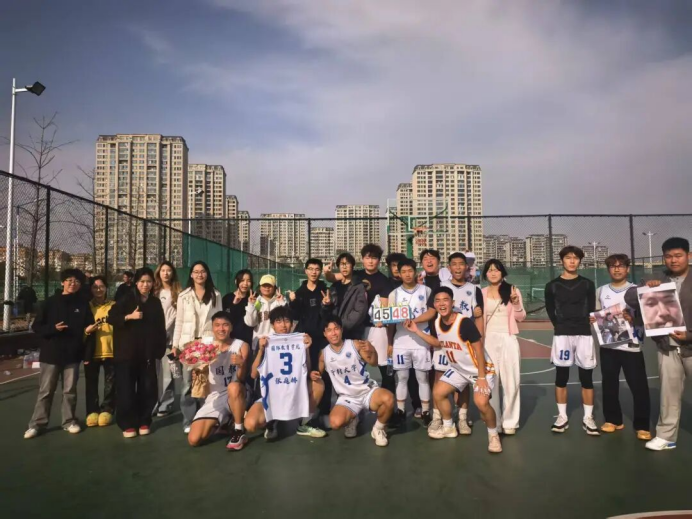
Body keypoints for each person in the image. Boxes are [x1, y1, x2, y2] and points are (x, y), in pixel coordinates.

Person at [408, 286, 502, 453]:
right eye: (438, 301)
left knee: (481, 403)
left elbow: (479, 350)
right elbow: (438, 343)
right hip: (458, 369)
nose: (441, 304)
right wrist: (416, 331)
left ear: (453, 303)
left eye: (445, 300)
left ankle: (493, 435)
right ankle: (449, 427)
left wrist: (481, 377)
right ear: (434, 305)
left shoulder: (464, 323)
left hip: (480, 370)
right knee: (438, 393)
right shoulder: (437, 322)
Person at [625, 237, 692, 451]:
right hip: (667, 347)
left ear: (689, 256)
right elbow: (630, 297)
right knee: (668, 394)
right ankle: (666, 436)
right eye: (668, 256)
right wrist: (645, 287)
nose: (673, 260)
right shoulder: (656, 278)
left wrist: (689, 335)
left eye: (678, 255)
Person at [24, 269, 93, 439]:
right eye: (69, 280)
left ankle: (69, 421)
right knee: (46, 391)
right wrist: (53, 329)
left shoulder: (83, 304)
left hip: (72, 355)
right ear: (62, 282)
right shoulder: (49, 303)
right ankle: (37, 424)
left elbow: (88, 325)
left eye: (77, 281)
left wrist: (89, 330)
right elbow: (37, 327)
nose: (72, 283)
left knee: (70, 391)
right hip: (51, 354)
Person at [244, 306, 326, 441]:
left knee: (318, 384)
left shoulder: (300, 340)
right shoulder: (265, 341)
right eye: (278, 321)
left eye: (287, 321)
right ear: (272, 325)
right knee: (250, 424)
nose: (283, 325)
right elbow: (253, 374)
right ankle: (272, 421)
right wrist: (260, 350)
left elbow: (306, 369)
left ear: (292, 324)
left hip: (293, 391)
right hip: (271, 395)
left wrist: (306, 349)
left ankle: (304, 423)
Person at [591, 254, 650, 439]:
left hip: (631, 345)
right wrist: (594, 318)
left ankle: (642, 426)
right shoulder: (601, 291)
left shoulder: (637, 290)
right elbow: (597, 313)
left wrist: (634, 318)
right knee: (609, 384)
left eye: (621, 266)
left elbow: (648, 316)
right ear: (608, 269)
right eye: (613, 266)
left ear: (627, 269)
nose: (617, 269)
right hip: (609, 345)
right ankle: (613, 420)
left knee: (638, 386)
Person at [327, 245, 394, 403]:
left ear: (379, 260)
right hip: (356, 328)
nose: (370, 261)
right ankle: (354, 402)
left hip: (374, 328)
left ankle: (388, 403)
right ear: (362, 259)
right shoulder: (355, 274)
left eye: (374, 258)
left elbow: (385, 306)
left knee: (383, 366)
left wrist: (382, 322)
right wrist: (327, 272)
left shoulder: (384, 281)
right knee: (354, 366)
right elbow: (333, 277)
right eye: (367, 258)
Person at [316, 316, 394, 447]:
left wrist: (372, 350)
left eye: (336, 329)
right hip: (347, 397)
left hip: (366, 391)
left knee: (389, 399)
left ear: (341, 330)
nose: (333, 333)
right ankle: (354, 417)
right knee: (335, 423)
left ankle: (378, 429)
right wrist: (313, 373)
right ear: (324, 333)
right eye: (329, 330)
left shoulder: (355, 345)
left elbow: (374, 363)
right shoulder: (323, 354)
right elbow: (317, 374)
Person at [545, 246, 598, 435]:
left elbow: (591, 308)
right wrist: (560, 325)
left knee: (586, 378)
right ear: (562, 260)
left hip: (584, 334)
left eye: (576, 258)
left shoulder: (587, 284)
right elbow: (550, 309)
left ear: (580, 261)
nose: (572, 261)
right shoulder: (552, 285)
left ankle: (588, 418)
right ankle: (562, 417)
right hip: (562, 335)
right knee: (561, 376)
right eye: (568, 257)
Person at [109, 267, 167, 438]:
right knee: (126, 390)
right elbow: (112, 317)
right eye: (142, 281)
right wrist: (129, 317)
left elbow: (160, 328)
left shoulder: (155, 303)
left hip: (147, 354)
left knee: (147, 388)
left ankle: (144, 420)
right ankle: (127, 423)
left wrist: (159, 350)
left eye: (149, 281)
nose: (145, 285)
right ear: (136, 282)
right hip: (126, 354)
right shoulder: (126, 299)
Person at [171, 261, 223, 434]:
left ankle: (206, 417)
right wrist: (175, 345)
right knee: (187, 384)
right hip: (188, 345)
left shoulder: (216, 294)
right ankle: (188, 420)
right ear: (191, 275)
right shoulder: (184, 295)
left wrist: (219, 342)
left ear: (207, 274)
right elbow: (179, 321)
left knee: (208, 383)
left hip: (208, 344)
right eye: (196, 271)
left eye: (202, 271)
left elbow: (219, 320)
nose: (199, 274)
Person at [186, 311, 250, 448]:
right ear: (212, 327)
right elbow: (198, 367)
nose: (221, 329)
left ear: (231, 327)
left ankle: (238, 430)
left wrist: (241, 364)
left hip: (236, 393)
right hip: (214, 396)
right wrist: (197, 372)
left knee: (233, 386)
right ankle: (224, 422)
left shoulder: (241, 345)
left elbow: (241, 378)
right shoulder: (204, 345)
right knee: (194, 440)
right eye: (217, 325)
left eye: (225, 325)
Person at [437, 252, 485, 433]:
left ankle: (463, 417)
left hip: (464, 343)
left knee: (463, 380)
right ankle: (440, 417)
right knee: (440, 377)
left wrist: (480, 339)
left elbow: (478, 315)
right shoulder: (442, 286)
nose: (457, 267)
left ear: (467, 267)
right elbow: (434, 311)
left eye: (461, 264)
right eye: (454, 264)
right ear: (449, 268)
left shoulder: (474, 289)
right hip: (445, 339)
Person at [387, 258, 435, 426]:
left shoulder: (426, 290)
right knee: (402, 377)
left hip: (421, 340)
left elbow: (432, 312)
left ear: (415, 272)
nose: (407, 274)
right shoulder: (394, 294)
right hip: (401, 341)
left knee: (422, 377)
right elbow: (390, 320)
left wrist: (414, 321)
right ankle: (400, 411)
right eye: (404, 272)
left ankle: (426, 411)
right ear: (399, 274)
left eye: (410, 271)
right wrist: (390, 343)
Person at [481, 259, 526, 435]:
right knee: (491, 383)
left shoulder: (512, 290)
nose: (493, 273)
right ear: (485, 274)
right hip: (488, 340)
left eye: (496, 270)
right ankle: (495, 422)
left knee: (511, 382)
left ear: (502, 273)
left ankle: (510, 422)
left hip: (508, 338)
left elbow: (521, 317)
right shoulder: (481, 293)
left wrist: (516, 302)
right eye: (490, 270)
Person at [288, 259, 332, 421]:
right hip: (305, 341)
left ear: (320, 271)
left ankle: (324, 411)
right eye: (311, 269)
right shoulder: (299, 293)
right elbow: (295, 316)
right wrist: (293, 302)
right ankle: (305, 411)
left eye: (317, 269)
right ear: (305, 271)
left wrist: (326, 305)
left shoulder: (325, 290)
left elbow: (328, 316)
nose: (314, 272)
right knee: (305, 373)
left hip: (322, 340)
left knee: (324, 374)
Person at [83, 275, 116, 428]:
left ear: (106, 288)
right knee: (91, 384)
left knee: (111, 384)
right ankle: (92, 411)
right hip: (92, 351)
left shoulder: (114, 305)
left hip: (110, 350)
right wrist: (87, 331)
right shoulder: (86, 307)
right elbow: (81, 328)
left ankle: (107, 410)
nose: (98, 290)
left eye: (101, 286)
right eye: (95, 287)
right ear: (90, 289)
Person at [153, 261, 181, 417]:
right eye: (163, 270)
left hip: (170, 340)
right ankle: (152, 404)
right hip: (152, 339)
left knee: (168, 374)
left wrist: (167, 332)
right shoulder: (153, 291)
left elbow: (177, 316)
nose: (165, 273)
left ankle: (166, 404)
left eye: (168, 270)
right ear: (159, 272)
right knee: (151, 374)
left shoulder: (178, 292)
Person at [321, 252, 368, 341]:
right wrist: (325, 305)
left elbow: (359, 312)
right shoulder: (334, 287)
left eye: (347, 263)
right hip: (334, 336)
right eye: (341, 264)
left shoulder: (359, 287)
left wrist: (339, 327)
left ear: (352, 266)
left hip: (352, 335)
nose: (344, 267)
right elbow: (325, 314)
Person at [244, 274, 287, 351]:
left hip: (277, 342)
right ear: (260, 287)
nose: (267, 288)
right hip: (259, 341)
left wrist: (281, 302)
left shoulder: (279, 301)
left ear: (274, 288)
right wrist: (251, 305)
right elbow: (251, 323)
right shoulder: (257, 302)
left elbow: (286, 319)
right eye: (264, 285)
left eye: (269, 286)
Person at [222, 270, 255, 348]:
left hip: (250, 340)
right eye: (242, 280)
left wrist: (252, 304)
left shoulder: (255, 297)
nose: (245, 284)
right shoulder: (227, 298)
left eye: (248, 281)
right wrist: (234, 304)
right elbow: (225, 319)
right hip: (231, 339)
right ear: (236, 281)